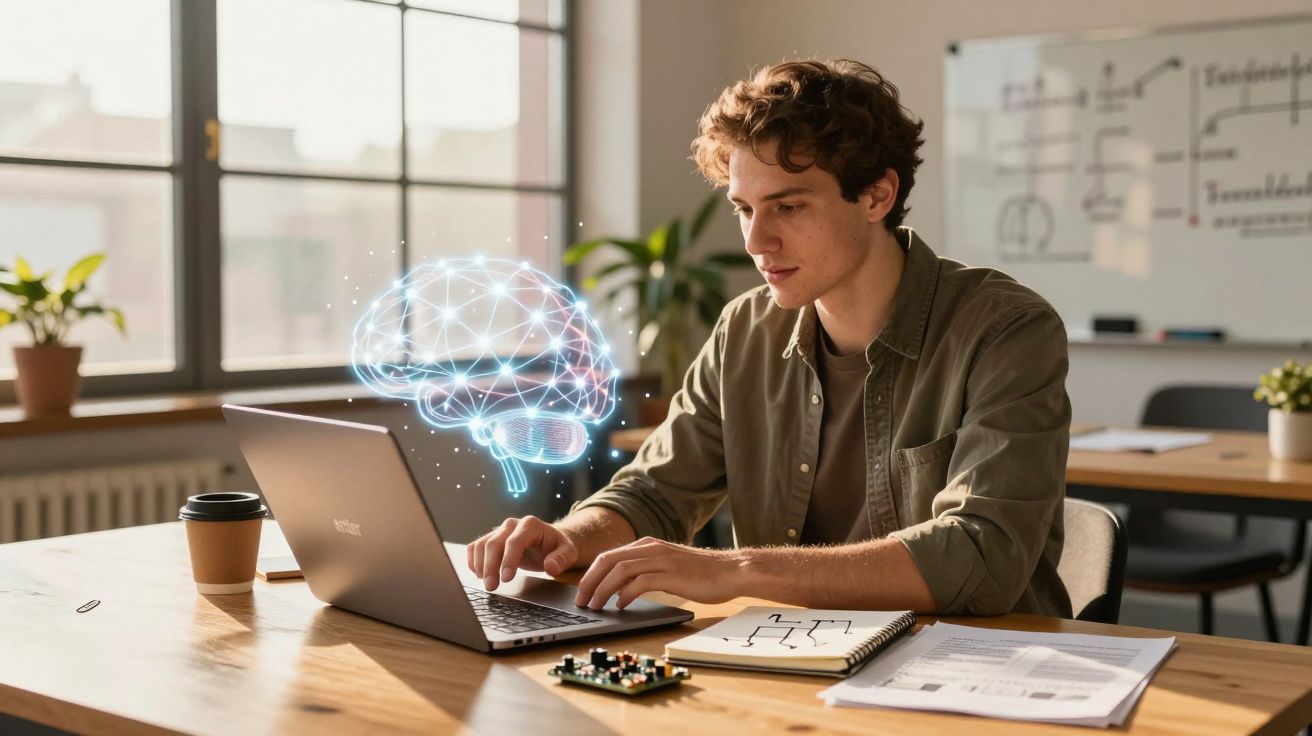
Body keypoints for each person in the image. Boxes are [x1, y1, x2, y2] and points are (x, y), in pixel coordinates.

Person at [468, 59, 1072, 617]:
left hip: (972, 664)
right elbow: (654, 493)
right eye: (744, 209)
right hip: (788, 659)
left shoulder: (1005, 329)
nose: (757, 242)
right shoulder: (743, 330)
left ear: (877, 195)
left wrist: (736, 570)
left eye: (788, 207)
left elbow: (982, 555)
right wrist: (566, 538)